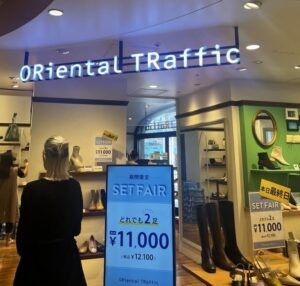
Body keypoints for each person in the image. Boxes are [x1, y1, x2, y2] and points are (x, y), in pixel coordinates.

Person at [14, 135, 87, 286]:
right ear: (67, 159)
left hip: (36, 263)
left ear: (44, 157)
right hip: (67, 262)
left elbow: (23, 234)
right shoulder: (74, 187)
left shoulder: (32, 189)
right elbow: (76, 229)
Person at [0, 150, 28, 246]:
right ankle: (8, 240)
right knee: (10, 217)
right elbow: (24, 174)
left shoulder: (1, 170)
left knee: (0, 217)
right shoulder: (15, 170)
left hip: (1, 197)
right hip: (11, 197)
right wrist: (27, 164)